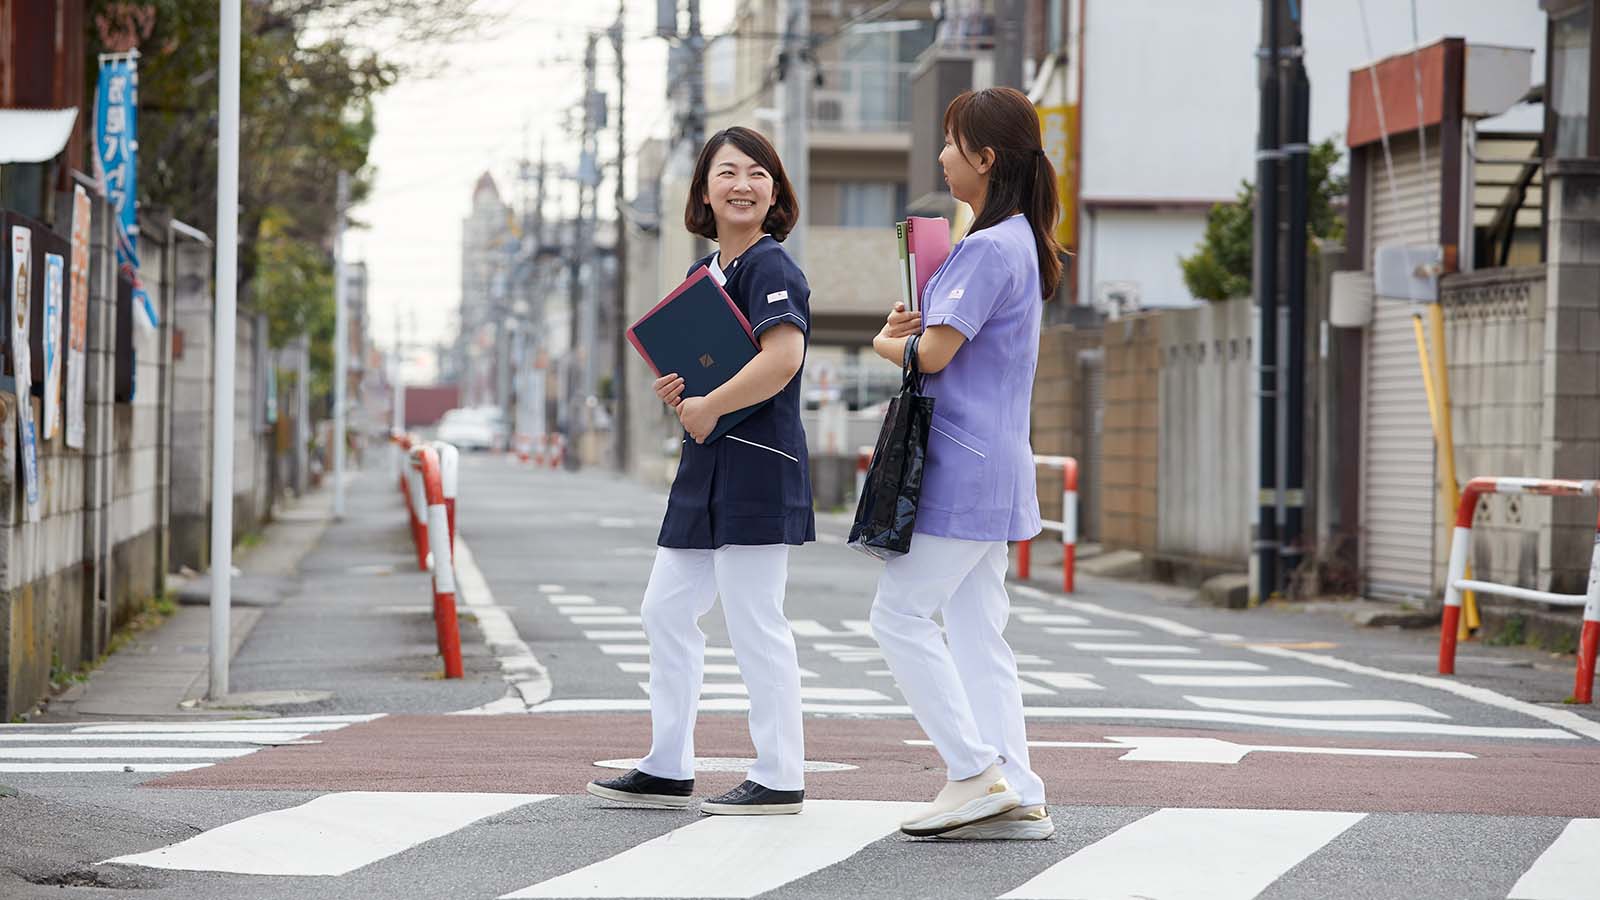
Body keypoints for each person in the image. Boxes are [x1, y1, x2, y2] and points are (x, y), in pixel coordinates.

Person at [588, 126, 813, 816]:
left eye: (757, 174)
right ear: (704, 192)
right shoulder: (699, 277)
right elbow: (704, 372)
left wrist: (708, 402)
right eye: (728, 173)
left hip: (757, 466)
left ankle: (779, 774)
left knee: (754, 620)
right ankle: (667, 764)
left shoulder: (773, 268)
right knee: (665, 610)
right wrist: (680, 394)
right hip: (704, 466)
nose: (742, 185)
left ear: (775, 193)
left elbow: (783, 360)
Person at [867, 87, 1062, 840]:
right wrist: (910, 331)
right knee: (979, 631)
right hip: (1000, 462)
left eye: (952, 143)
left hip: (961, 464)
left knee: (899, 615)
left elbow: (933, 353)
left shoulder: (983, 249)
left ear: (985, 157)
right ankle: (1017, 788)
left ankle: (974, 772)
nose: (943, 156)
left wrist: (886, 341)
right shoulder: (1018, 240)